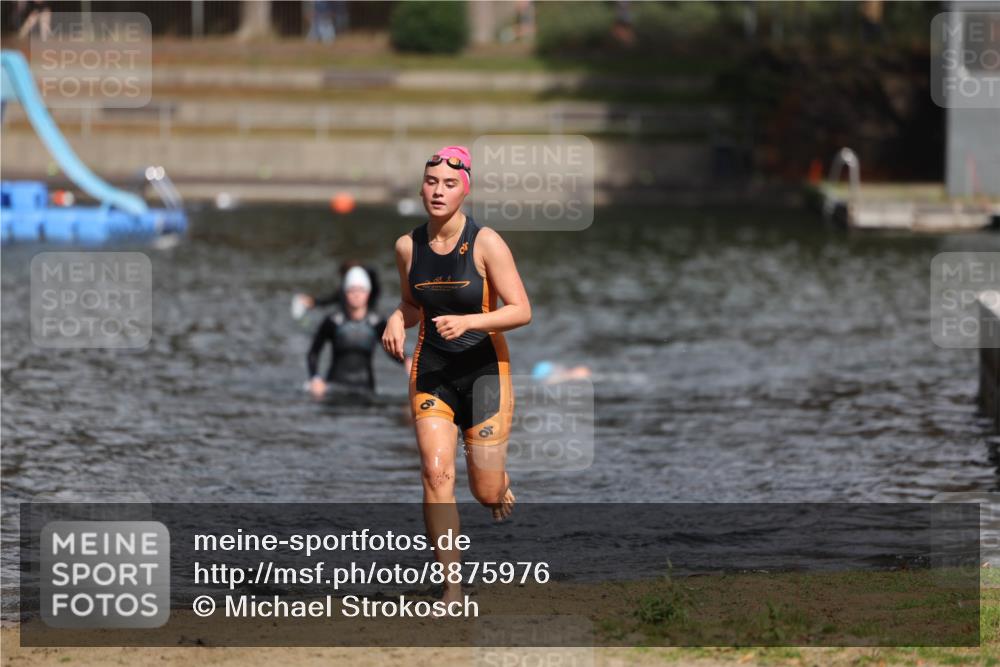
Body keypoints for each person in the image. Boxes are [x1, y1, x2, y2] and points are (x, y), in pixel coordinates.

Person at [382, 145, 532, 605]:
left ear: (464, 190)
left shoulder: (486, 242)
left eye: (449, 184)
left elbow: (521, 310)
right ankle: (451, 585)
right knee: (434, 471)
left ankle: (498, 485)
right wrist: (395, 317)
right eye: (431, 182)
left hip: (486, 371)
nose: (438, 191)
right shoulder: (408, 246)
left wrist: (469, 322)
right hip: (433, 370)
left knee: (484, 491)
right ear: (422, 186)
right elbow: (413, 304)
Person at [306, 264, 408, 399]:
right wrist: (315, 378)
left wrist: (406, 360)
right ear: (344, 292)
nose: (356, 295)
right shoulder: (332, 321)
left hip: (366, 389)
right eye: (352, 290)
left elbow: (390, 349)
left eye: (361, 290)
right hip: (334, 389)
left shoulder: (377, 322)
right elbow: (313, 353)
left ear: (368, 293)